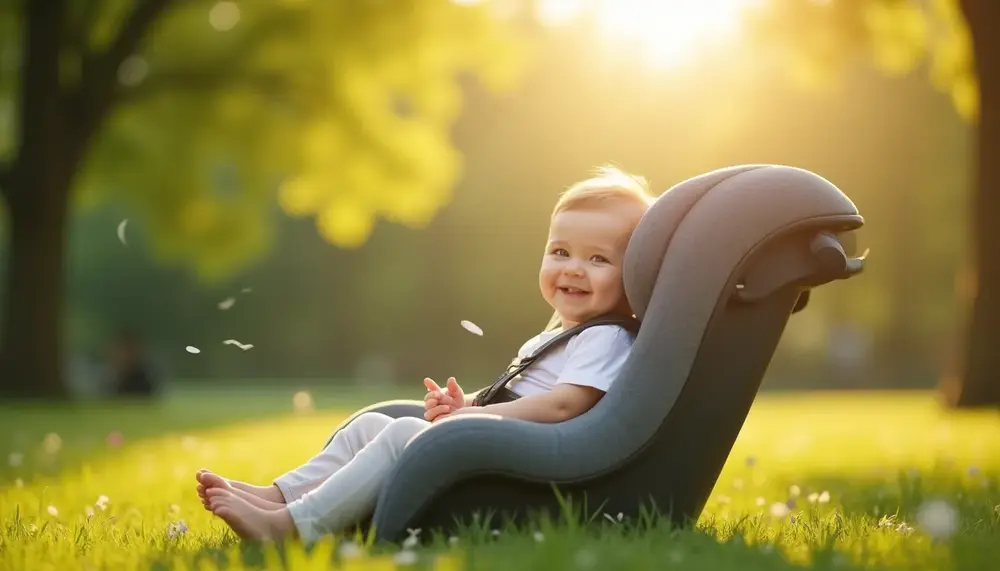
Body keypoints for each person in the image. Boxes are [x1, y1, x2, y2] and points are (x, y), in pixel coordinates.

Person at [196, 165, 655, 542]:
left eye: (597, 259)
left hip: (535, 461)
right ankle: (278, 497)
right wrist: (466, 403)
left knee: (403, 434)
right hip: (510, 441)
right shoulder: (558, 336)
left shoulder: (605, 338)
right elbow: (519, 395)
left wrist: (475, 419)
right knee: (373, 427)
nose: (572, 269)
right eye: (560, 252)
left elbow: (564, 406)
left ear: (632, 275)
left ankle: (293, 527)